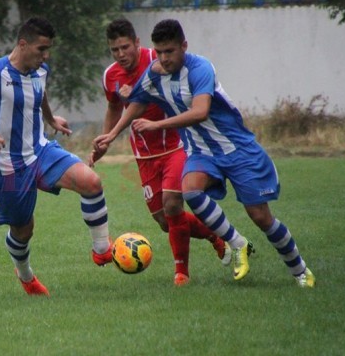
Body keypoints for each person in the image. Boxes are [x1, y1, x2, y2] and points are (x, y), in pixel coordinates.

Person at [93, 19, 315, 287]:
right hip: (201, 151)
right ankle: (236, 243)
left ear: (184, 47)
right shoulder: (153, 72)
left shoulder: (200, 68)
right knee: (189, 192)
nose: (164, 58)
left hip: (237, 149)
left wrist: (157, 124)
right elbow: (136, 102)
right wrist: (111, 136)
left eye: (170, 52)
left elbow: (200, 112)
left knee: (261, 217)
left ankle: (301, 271)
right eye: (160, 52)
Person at [0, 17, 113, 297]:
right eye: (41, 49)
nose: (46, 56)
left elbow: (39, 92)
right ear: (23, 44)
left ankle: (102, 250)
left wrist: (50, 118)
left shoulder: (40, 69)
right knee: (24, 228)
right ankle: (26, 276)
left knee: (91, 182)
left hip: (41, 151)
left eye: (48, 50)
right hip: (8, 165)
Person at [89, 18, 230, 286]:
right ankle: (216, 234)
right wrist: (106, 139)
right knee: (166, 221)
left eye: (125, 47)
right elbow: (114, 107)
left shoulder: (159, 59)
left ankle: (181, 274)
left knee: (173, 203)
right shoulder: (110, 76)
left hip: (177, 146)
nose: (121, 55)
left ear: (137, 43)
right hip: (144, 156)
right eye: (114, 50)